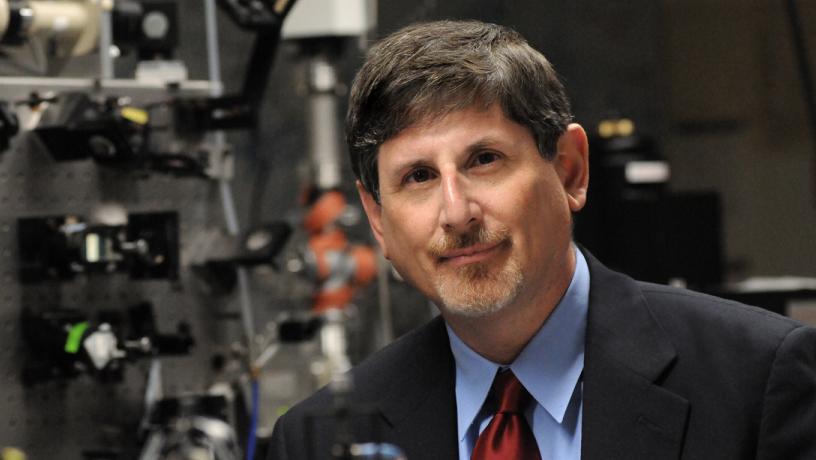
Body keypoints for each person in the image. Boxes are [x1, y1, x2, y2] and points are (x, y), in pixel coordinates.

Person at [268, 20, 816, 460]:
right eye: (418, 177)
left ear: (570, 171)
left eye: (484, 160)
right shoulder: (312, 439)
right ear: (379, 220)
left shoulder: (759, 381)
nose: (456, 213)